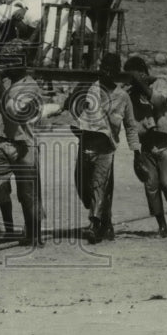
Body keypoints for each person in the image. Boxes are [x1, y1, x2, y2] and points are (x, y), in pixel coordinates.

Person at [0, 42, 63, 246]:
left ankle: (34, 234)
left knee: (28, 194)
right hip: (2, 142)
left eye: (9, 62)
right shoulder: (8, 82)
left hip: (24, 145)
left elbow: (16, 112)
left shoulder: (30, 86)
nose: (5, 66)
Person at [69, 52, 137, 244]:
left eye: (111, 70)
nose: (107, 73)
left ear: (116, 72)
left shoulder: (123, 97)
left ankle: (94, 224)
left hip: (106, 148)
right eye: (104, 69)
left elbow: (131, 126)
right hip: (85, 144)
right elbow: (73, 111)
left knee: (99, 186)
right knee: (82, 185)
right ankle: (104, 222)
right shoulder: (89, 89)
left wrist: (136, 150)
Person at [125, 55, 167, 237]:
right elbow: (131, 127)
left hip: (165, 143)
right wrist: (136, 155)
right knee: (151, 187)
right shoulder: (130, 95)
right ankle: (162, 225)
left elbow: (157, 101)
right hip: (147, 146)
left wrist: (140, 83)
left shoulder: (160, 84)